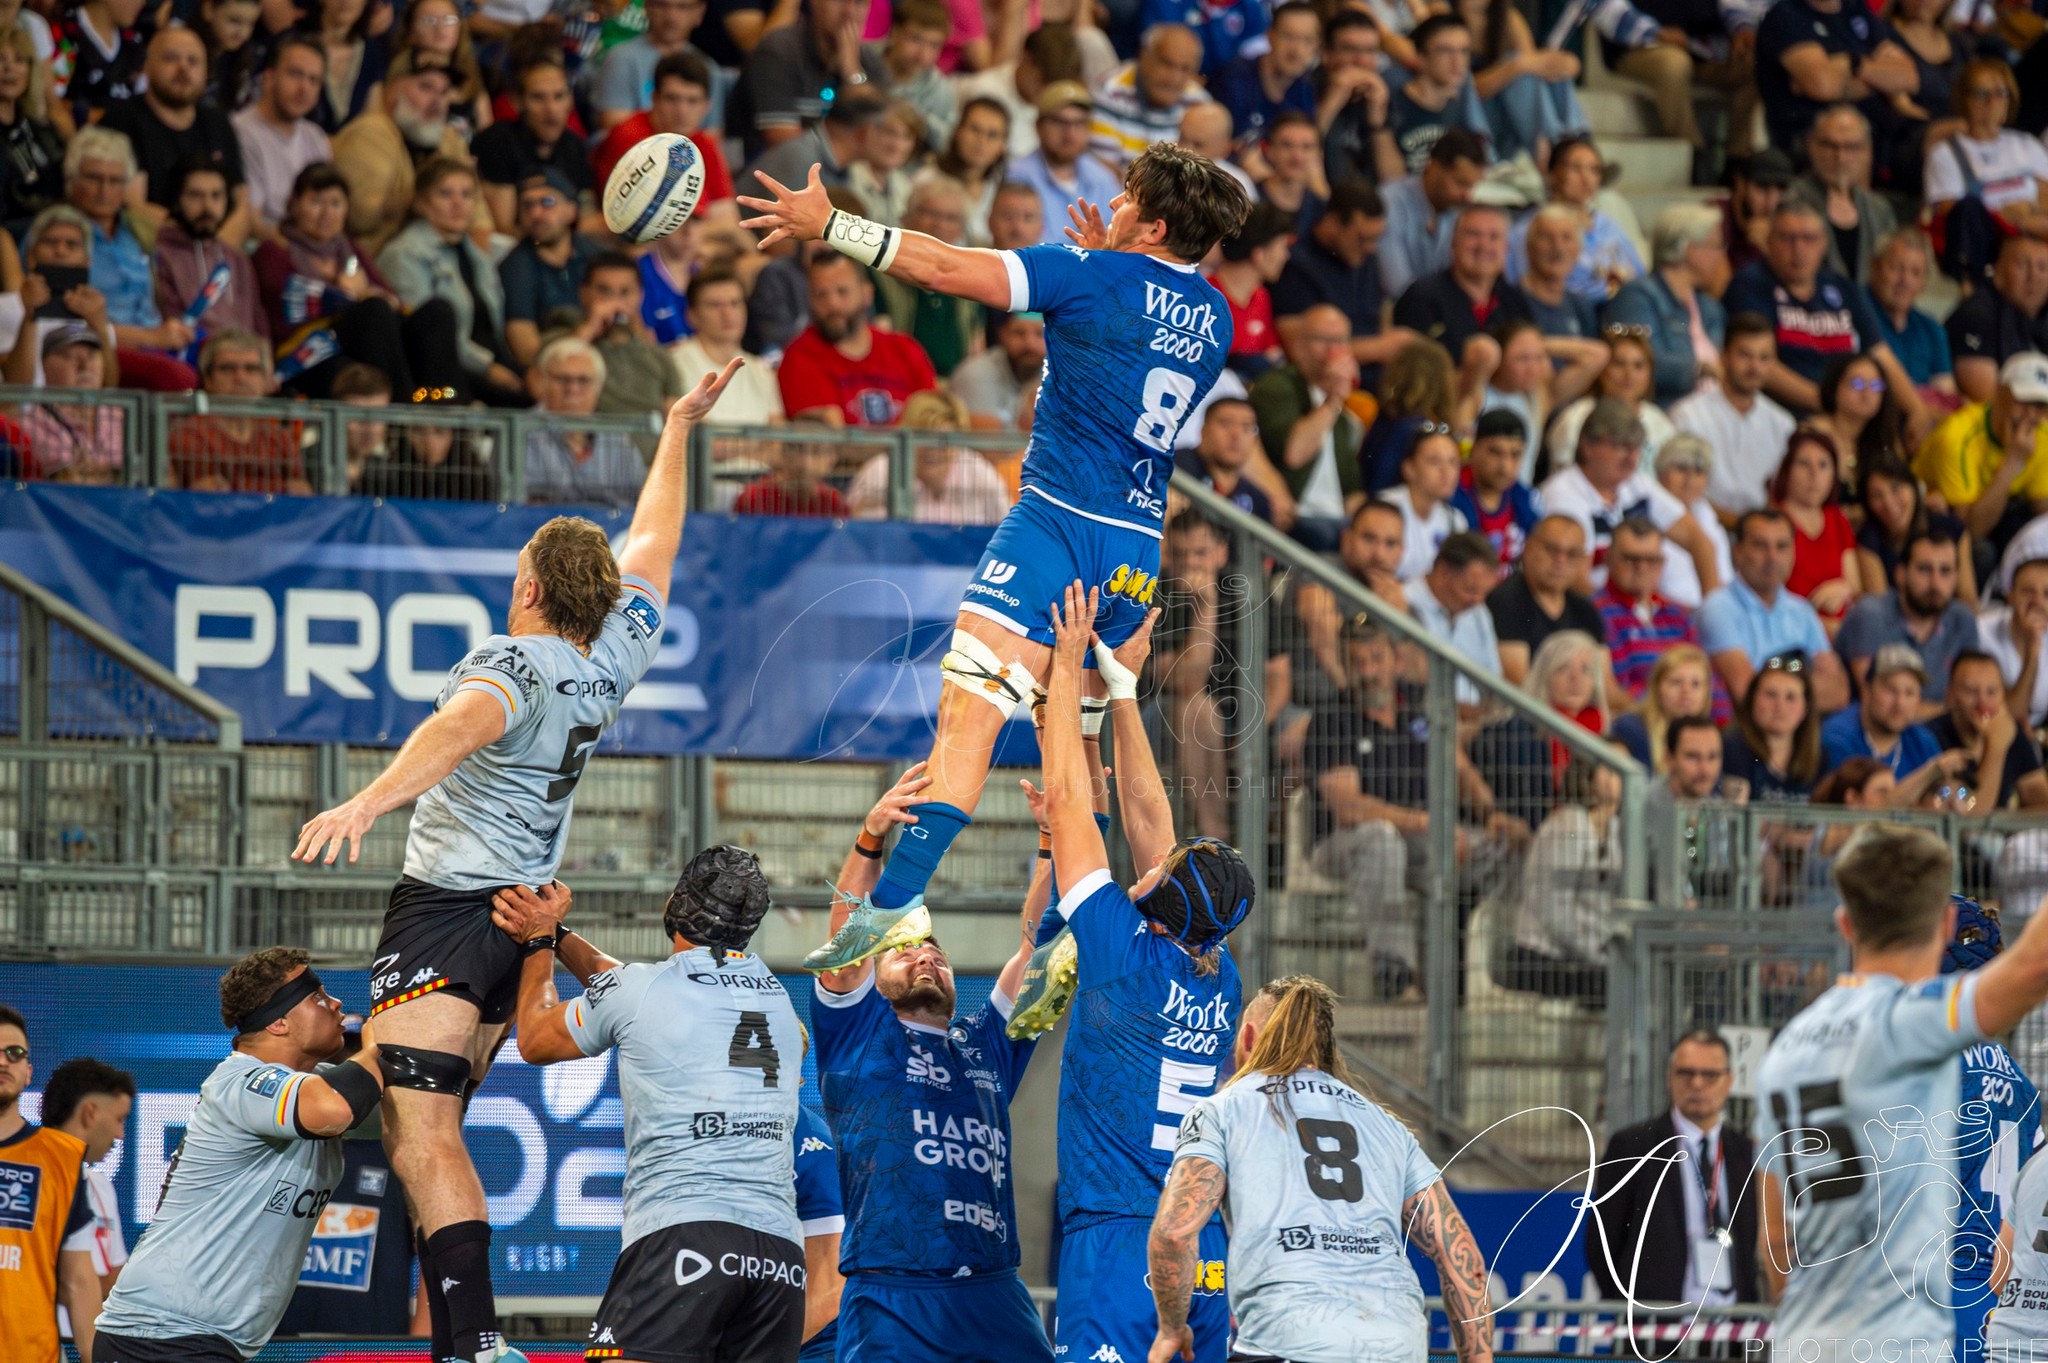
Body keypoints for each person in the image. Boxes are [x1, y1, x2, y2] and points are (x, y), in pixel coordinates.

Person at [286, 355, 742, 1363]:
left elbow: (463, 723)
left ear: (528, 588)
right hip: (517, 918)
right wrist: (676, 427)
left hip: (447, 910)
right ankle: (469, 1340)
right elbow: (656, 543)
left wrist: (368, 797)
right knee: (424, 1128)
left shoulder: (514, 657)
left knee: (422, 1134)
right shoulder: (611, 656)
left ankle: (477, 1343)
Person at [740, 142, 1250, 963]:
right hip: (1132, 551)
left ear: (1153, 224)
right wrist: (1111, 256)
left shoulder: (1083, 271)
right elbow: (1137, 323)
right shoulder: (1218, 316)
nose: (1111, 205)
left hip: (1053, 523)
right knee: (1078, 751)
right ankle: (1049, 942)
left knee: (965, 728)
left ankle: (884, 919)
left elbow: (943, 269)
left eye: (1125, 198)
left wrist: (829, 223)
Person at [1006, 581, 1253, 1363]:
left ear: (1155, 895)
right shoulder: (1220, 971)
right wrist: (1121, 693)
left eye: (1162, 869)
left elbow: (1073, 809)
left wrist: (1067, 676)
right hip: (1204, 1244)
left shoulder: (1120, 951)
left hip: (1120, 1239)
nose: (1155, 860)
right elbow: (1155, 829)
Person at [489, 847, 806, 1363]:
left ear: (674, 904)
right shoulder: (775, 996)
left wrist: (540, 942)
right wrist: (562, 934)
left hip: (684, 1233)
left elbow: (537, 1039)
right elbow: (636, 989)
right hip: (779, 1260)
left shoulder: (644, 990)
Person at [1754, 824, 2048, 1363]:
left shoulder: (1787, 1048)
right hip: (1932, 1325)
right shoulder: (1925, 1036)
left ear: (1845, 926)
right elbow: (2034, 965)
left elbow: (1775, 1240)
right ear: (1939, 927)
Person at [808, 748, 1051, 1362]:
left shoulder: (984, 1045)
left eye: (934, 952)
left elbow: (1035, 947)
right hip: (893, 1291)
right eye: (903, 951)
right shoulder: (861, 1035)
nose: (925, 957)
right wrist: (870, 841)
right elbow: (845, 941)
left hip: (994, 1290)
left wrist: (1051, 842)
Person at [1153, 972, 1495, 1363]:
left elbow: (1175, 1233)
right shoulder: (1387, 1126)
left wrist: (1172, 1327)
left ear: (1247, 1039)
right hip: (1398, 1344)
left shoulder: (1224, 1109)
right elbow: (1462, 1258)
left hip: (1287, 1340)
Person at [90, 951, 392, 1363]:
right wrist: (376, 1050)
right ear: (278, 1022)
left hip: (198, 1340)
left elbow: (409, 1114)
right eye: (318, 996)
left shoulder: (311, 1086)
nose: (336, 1003)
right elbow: (335, 1107)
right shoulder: (241, 1080)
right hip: (161, 1334)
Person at [1590, 1031, 1762, 1309]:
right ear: (1669, 1077)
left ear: (1729, 1080)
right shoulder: (1633, 1147)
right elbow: (1602, 1244)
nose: (1697, 1084)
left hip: (1731, 1329)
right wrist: (1630, 1309)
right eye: (1686, 1073)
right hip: (1655, 1329)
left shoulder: (1744, 1153)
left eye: (1710, 1075)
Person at [1723, 202, 1921, 422]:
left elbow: (1880, 353)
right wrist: (1828, 402)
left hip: (1846, 414)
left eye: (1809, 239)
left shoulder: (1842, 288)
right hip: (1786, 416)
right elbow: (1760, 365)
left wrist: (1916, 410)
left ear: (1824, 243)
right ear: (1769, 241)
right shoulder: (1751, 285)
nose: (1798, 249)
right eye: (1787, 238)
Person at [1537, 397, 1721, 602]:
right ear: (1588, 447)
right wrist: (1623, 616)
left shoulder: (1637, 484)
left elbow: (1699, 542)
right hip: (1596, 611)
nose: (1631, 457)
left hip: (1638, 606)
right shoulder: (1563, 493)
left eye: (1636, 447)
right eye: (1620, 446)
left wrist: (1712, 609)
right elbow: (1577, 579)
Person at [0, 1005, 102, 1363]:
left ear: (28, 1072)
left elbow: (79, 1281)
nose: (3, 1062)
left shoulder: (62, 1159)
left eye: (14, 1053)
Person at [377, 159, 523, 408]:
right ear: (421, 202)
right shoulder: (403, 254)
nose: (458, 204)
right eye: (446, 194)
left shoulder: (475, 253)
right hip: (442, 384)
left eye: (467, 194)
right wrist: (488, 368)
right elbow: (432, 336)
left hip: (491, 364)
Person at [1697, 510, 1853, 712]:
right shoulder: (1717, 609)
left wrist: (1773, 677)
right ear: (1737, 551)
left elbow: (1838, 692)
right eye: (1760, 546)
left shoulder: (1802, 610)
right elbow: (1747, 694)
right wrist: (1803, 671)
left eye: (1782, 546)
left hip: (1804, 732)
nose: (1772, 557)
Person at [330, 53, 478, 258]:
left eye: (444, 92)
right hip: (375, 264)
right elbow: (360, 216)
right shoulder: (371, 132)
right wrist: (428, 196)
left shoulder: (449, 139)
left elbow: (480, 221)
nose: (437, 102)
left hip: (441, 263)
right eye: (426, 88)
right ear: (392, 91)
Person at [101, 27, 247, 231]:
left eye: (193, 61)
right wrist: (192, 243)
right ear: (147, 65)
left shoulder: (217, 122)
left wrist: (216, 250)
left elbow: (241, 205)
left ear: (206, 71)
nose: (183, 68)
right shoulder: (121, 122)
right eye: (171, 58)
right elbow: (133, 206)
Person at [1269, 179, 1408, 382]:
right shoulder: (1296, 267)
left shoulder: (1364, 258)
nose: (1371, 248)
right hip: (1329, 383)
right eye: (1362, 238)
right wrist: (1383, 347)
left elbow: (1378, 320)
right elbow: (1298, 348)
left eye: (1375, 239)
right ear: (1332, 222)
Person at [1926, 58, 2048, 288]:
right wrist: (2011, 215)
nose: (1992, 102)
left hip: (2033, 242)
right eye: (1982, 93)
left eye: (2000, 93)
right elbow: (1952, 215)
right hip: (1986, 249)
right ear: (1965, 99)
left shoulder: (2026, 146)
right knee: (1969, 209)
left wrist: (2022, 221)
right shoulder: (1946, 154)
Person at [778, 253, 939, 426]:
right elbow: (826, 443)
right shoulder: (801, 355)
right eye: (820, 294)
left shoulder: (905, 350)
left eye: (842, 291)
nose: (833, 303)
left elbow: (933, 420)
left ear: (867, 294)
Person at [1915, 352, 2048, 554]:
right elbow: (1973, 530)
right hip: (1931, 515)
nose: (2031, 416)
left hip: (1998, 514)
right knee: (1982, 551)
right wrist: (2013, 461)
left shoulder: (2042, 434)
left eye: (2039, 406)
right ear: (1999, 393)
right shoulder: (1957, 437)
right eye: (2023, 401)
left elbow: (2042, 512)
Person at [1673, 312, 1799, 519]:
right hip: (1703, 525)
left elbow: (1784, 493)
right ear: (1723, 356)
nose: (1755, 367)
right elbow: (1680, 488)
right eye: (1745, 355)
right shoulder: (1688, 415)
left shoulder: (1783, 423)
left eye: (1764, 357)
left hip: (1764, 536)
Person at [1602, 203, 1728, 407]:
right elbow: (1639, 362)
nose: (1721, 256)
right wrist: (1698, 369)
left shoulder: (1710, 308)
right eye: (1715, 246)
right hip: (1660, 411)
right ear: (1689, 249)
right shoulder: (1638, 297)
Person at [1838, 527, 1980, 702]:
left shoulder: (1963, 620)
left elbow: (1974, 697)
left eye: (1945, 571)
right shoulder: (1870, 616)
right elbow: (1877, 702)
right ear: (1901, 574)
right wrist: (1950, 713)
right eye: (1924, 569)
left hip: (1939, 726)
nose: (1936, 583)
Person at [592, 54, 736, 224]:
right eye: (672, 99)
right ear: (654, 99)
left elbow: (728, 218)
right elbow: (642, 223)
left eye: (692, 101)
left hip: (691, 242)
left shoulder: (704, 144)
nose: (682, 111)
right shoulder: (631, 139)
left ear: (706, 107)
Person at [1598, 517, 1724, 712]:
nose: (1642, 568)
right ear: (1609, 559)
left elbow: (1706, 678)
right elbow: (1616, 691)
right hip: (1638, 726)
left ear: (1662, 563)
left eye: (1651, 560)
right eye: (1631, 559)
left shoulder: (1678, 613)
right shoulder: (1597, 611)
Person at [167, 330, 309, 494]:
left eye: (251, 368)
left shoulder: (279, 436)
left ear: (266, 379)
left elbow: (301, 492)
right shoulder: (189, 432)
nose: (240, 378)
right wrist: (281, 488)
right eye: (227, 368)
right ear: (207, 379)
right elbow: (208, 493)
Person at [1509, 135, 1642, 307]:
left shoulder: (1608, 226)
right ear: (1553, 173)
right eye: (1576, 168)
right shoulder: (1529, 229)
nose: (1586, 178)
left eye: (1594, 170)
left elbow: (1638, 277)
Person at [1394, 205, 1533, 367]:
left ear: (1506, 248)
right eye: (1473, 234)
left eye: (1494, 237)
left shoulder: (1514, 299)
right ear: (1453, 243)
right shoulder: (1421, 297)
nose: (1484, 246)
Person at [845, 389, 1009, 521]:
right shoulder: (880, 471)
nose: (933, 449)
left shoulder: (980, 473)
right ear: (906, 438)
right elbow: (863, 540)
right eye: (924, 438)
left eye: (944, 440)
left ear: (959, 443)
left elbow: (1007, 536)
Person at [521, 337, 646, 511]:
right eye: (563, 379)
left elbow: (641, 499)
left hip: (610, 534)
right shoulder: (518, 433)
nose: (573, 389)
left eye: (583, 380)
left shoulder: (618, 438)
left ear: (599, 386)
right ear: (543, 382)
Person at [152, 159, 265, 340]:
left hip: (245, 357)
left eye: (216, 196)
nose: (207, 206)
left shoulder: (237, 258)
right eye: (196, 195)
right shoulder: (161, 254)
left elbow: (258, 323)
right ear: (177, 200)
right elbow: (169, 321)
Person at [1786, 105, 1897, 286]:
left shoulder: (1879, 210)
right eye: (1830, 145)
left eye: (1851, 147)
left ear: (1867, 151)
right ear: (1811, 145)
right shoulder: (1792, 199)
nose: (1841, 157)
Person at [1489, 514, 1605, 686]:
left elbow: (1604, 683)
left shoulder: (1586, 609)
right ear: (1528, 548)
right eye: (1552, 550)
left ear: (1582, 560)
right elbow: (1520, 684)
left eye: (1571, 554)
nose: (1560, 561)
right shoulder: (1506, 601)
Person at [231, 37, 330, 238]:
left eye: (314, 80)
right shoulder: (240, 132)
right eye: (295, 74)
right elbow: (253, 224)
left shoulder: (316, 138)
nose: (304, 88)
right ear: (268, 78)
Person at [1545, 330, 1678, 478]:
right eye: (1619, 364)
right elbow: (1565, 480)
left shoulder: (1661, 422)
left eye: (1638, 366)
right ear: (1602, 371)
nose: (1629, 374)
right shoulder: (1575, 419)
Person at [498, 168, 595, 370]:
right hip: (557, 376)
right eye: (527, 205)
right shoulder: (516, 268)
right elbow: (526, 354)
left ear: (572, 210)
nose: (536, 213)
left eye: (547, 202)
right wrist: (588, 329)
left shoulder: (595, 255)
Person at [1375, 129, 1484, 301]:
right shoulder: (1390, 203)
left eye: (1472, 186)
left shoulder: (1456, 213)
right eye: (1460, 183)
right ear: (1432, 166)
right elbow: (1396, 285)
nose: (1467, 195)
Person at [1771, 427, 1864, 625]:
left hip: (1841, 630)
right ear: (1786, 470)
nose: (1814, 474)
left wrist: (1844, 589)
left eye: (1823, 465)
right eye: (1804, 464)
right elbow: (1768, 597)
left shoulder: (1837, 519)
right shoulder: (1773, 520)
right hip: (1793, 632)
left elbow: (1855, 585)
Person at [1010, 81, 1121, 245]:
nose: (1070, 133)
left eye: (1079, 123)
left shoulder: (1103, 178)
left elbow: (1119, 243)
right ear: (1038, 126)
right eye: (1060, 122)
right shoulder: (1017, 174)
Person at [1819, 643, 1950, 780]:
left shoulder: (1923, 742)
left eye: (1909, 693)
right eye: (1890, 690)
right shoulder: (1837, 737)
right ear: (1867, 690)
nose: (1900, 703)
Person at [1934, 652, 2048, 809]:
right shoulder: (1929, 738)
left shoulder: (2013, 735)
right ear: (1950, 694)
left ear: (2003, 696)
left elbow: (2041, 801)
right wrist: (1996, 747)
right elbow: (1969, 809)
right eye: (1971, 691)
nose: (1983, 703)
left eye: (1991, 691)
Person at [1089, 23, 1210, 169]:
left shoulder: (1198, 103)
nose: (1174, 78)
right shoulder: (1109, 92)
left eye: (1185, 69)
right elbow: (1104, 173)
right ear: (1143, 56)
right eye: (1167, 64)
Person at [1946, 235, 2048, 407]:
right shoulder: (1976, 315)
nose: (2034, 277)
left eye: (2042, 267)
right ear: (1997, 270)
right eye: (2022, 265)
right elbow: (1986, 401)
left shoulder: (2039, 314)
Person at [1385, 15, 1492, 177]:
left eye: (1464, 51)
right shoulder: (1391, 104)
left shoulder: (1458, 108)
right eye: (1445, 51)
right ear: (1420, 56)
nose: (1457, 61)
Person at [1866, 228, 1955, 402]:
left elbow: (1945, 396)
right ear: (1874, 267)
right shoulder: (1854, 312)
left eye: (1915, 273)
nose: (1905, 281)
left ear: (1923, 282)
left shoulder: (1932, 330)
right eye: (1896, 268)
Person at [1204, 201, 1290, 378]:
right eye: (1282, 246)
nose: (1286, 256)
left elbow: (1272, 354)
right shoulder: (1205, 295)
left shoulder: (1261, 297)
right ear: (1259, 254)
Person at [1722, 654, 1825, 800]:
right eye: (1770, 695)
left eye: (1791, 697)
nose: (1780, 707)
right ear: (1752, 700)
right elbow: (1735, 817)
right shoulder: (1733, 748)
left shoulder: (1820, 758)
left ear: (1806, 709)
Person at [1653, 434, 1737, 612]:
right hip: (1666, 616)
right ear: (1661, 472)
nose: (1690, 479)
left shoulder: (1712, 525)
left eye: (1699, 471)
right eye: (1681, 468)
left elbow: (1726, 583)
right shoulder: (1644, 516)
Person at [1453, 408, 1540, 574]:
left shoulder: (1524, 498)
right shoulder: (1453, 493)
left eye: (1515, 455)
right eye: (1495, 452)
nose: (1505, 467)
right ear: (1474, 448)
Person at [1380, 425, 1469, 581]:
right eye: (1434, 461)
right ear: (1409, 468)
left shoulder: (1456, 521)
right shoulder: (1384, 508)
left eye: (1453, 462)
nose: (1446, 471)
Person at [1609, 643, 1715, 770]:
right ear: (1657, 688)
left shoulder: (1710, 736)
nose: (1686, 691)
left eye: (1696, 684)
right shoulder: (1631, 729)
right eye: (1676, 682)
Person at [1175, 397, 1274, 523]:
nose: (1236, 434)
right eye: (1226, 423)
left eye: (1247, 427)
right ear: (1203, 430)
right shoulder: (1172, 467)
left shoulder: (1258, 501)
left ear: (1255, 440)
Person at [1981, 556, 2048, 729]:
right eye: (2028, 592)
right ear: (2009, 595)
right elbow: (2006, 716)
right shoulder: (1982, 633)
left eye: (2047, 594)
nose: (2037, 602)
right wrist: (2032, 652)